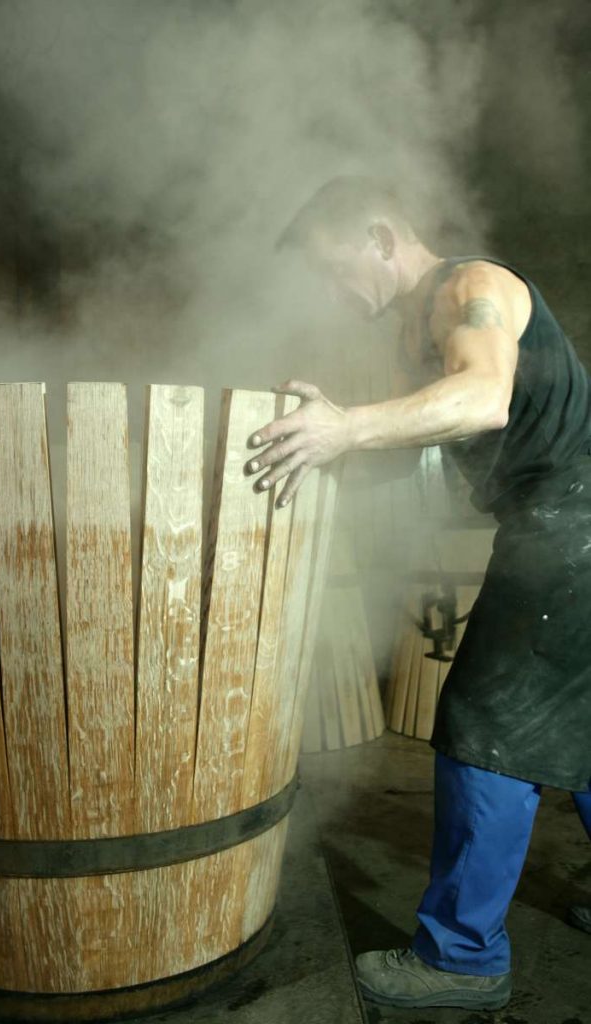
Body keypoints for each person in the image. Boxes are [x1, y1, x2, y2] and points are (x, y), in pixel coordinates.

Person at [245, 177, 591, 1011]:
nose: (334, 294)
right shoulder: (414, 328)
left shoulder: (469, 288)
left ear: (377, 235)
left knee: (483, 724)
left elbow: (482, 398)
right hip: (561, 524)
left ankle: (462, 961)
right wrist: (334, 440)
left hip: (569, 526)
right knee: (575, 717)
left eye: (334, 271)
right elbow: (415, 443)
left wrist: (345, 425)